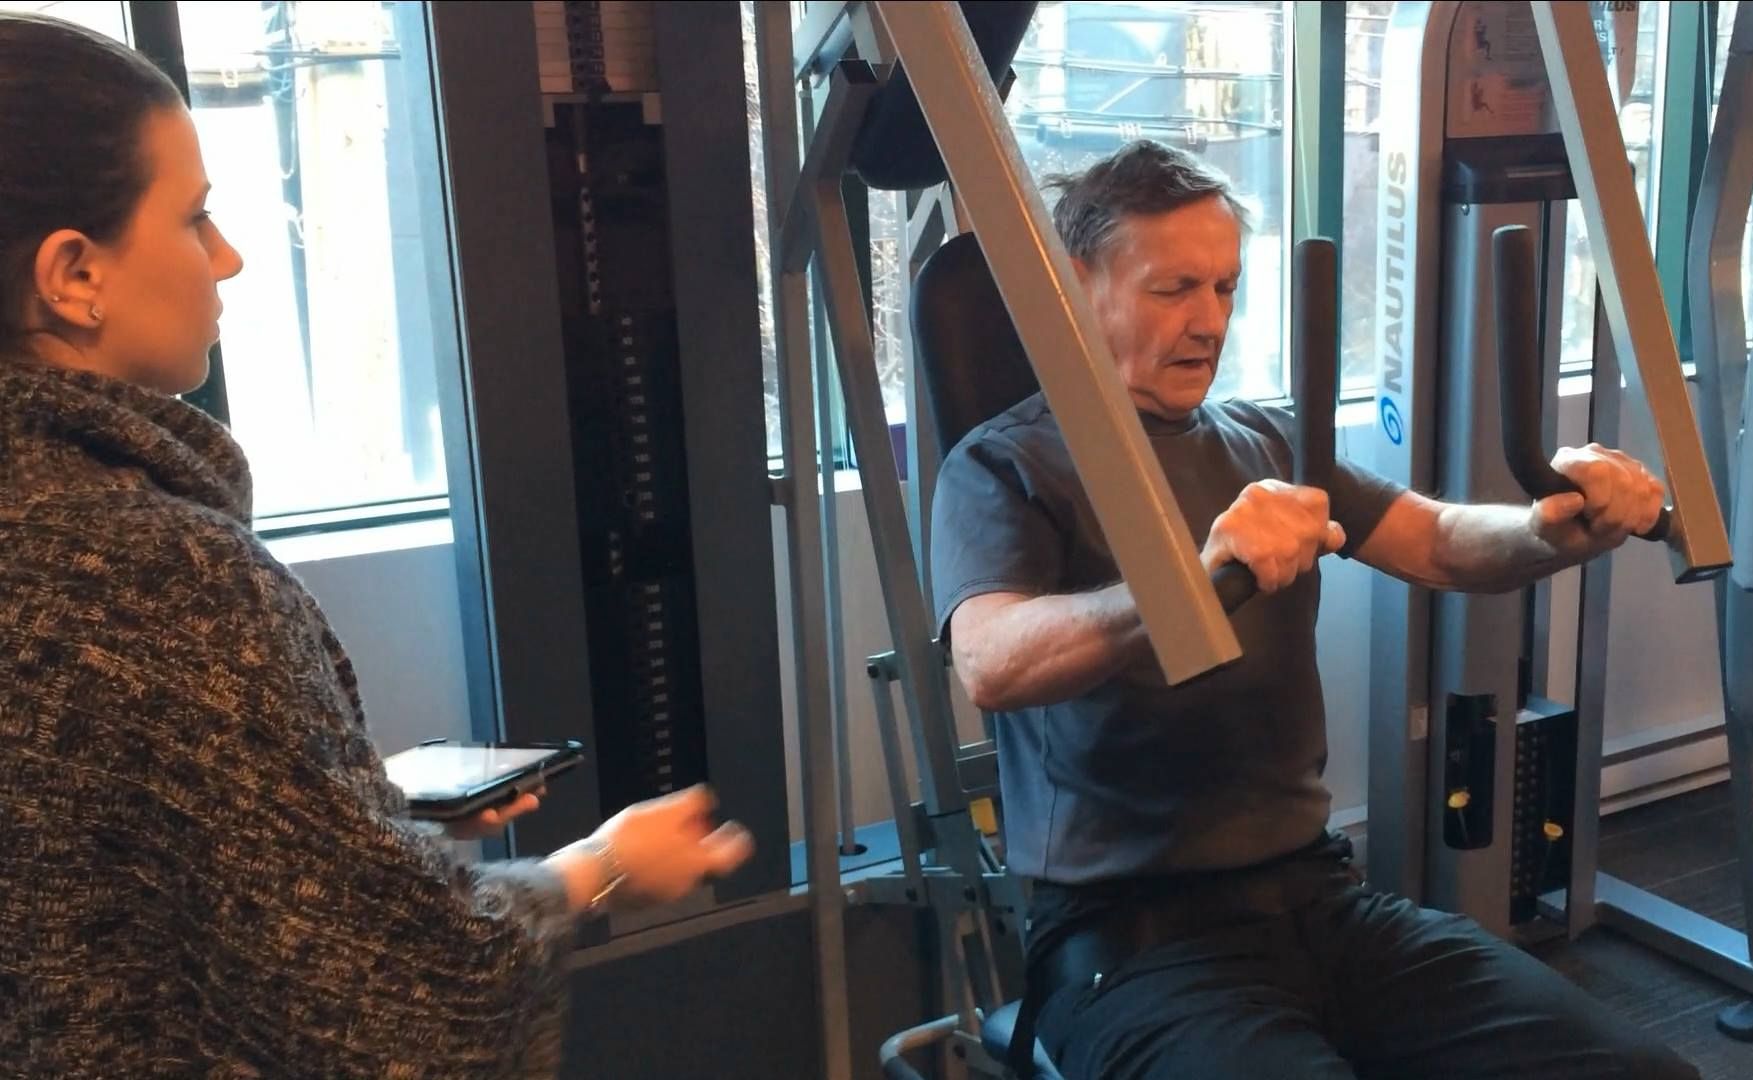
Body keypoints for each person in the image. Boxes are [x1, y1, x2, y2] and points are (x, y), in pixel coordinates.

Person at [0, 13, 752, 1078]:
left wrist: (338, 815)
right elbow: (407, 1000)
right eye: (195, 217)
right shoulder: (160, 578)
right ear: (74, 274)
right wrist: (599, 867)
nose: (229, 257)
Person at [931, 140, 1699, 1080]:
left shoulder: (1265, 441)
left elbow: (1441, 541)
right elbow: (991, 661)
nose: (1208, 321)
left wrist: (1555, 527)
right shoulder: (1002, 466)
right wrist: (1194, 576)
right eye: (1175, 289)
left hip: (1325, 904)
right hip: (1131, 948)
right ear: (1073, 286)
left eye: (1224, 288)